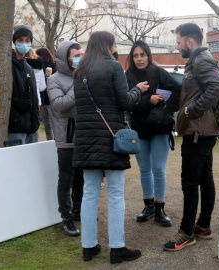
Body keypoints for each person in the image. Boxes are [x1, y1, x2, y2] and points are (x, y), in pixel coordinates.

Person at [72, 31, 149, 264]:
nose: (117, 47)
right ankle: (117, 248)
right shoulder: (114, 67)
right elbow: (124, 101)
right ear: (108, 45)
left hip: (86, 139)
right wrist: (139, 90)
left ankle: (88, 246)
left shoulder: (79, 71)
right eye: (115, 43)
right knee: (115, 193)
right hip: (110, 137)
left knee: (89, 193)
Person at [162, 23, 219, 251]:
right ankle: (204, 227)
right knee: (204, 178)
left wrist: (193, 109)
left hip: (198, 131)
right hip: (203, 132)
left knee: (190, 183)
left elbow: (217, 86)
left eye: (178, 42)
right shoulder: (200, 60)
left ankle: (186, 232)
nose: (177, 46)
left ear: (190, 41)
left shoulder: (200, 60)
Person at [125, 40, 181, 227]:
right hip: (139, 128)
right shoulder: (128, 76)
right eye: (136, 55)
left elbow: (178, 89)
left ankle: (159, 209)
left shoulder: (158, 72)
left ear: (148, 55)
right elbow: (128, 104)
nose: (139, 58)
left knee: (158, 168)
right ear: (132, 58)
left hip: (159, 127)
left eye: (143, 54)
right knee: (144, 169)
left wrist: (166, 110)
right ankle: (148, 206)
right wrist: (149, 100)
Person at [47, 41, 84, 237]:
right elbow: (59, 105)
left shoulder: (84, 76)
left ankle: (78, 209)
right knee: (66, 178)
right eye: (75, 54)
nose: (80, 57)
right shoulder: (54, 80)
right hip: (66, 137)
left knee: (81, 176)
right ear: (64, 58)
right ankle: (66, 217)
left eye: (81, 53)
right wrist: (77, 84)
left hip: (84, 135)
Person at [4, 25, 40, 145]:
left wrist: (35, 121)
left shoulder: (28, 67)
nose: (24, 43)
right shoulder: (7, 65)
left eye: (27, 40)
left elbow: (34, 96)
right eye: (20, 40)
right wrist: (13, 118)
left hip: (31, 125)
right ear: (14, 42)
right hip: (15, 125)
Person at [35, 47, 57, 141]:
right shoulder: (38, 67)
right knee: (46, 124)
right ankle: (50, 142)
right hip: (42, 99)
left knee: (54, 123)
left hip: (51, 99)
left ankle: (57, 141)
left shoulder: (54, 66)